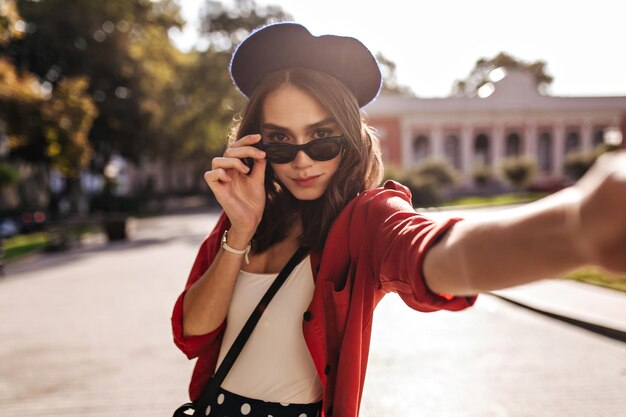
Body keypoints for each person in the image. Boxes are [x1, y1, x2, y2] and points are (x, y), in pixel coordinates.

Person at [172, 22, 626, 417]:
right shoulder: (242, 220)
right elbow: (193, 333)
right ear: (256, 145)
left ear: (350, 138)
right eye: (280, 143)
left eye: (323, 139)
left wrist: (578, 229)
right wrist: (241, 231)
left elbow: (431, 253)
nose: (303, 162)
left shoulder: (366, 219)